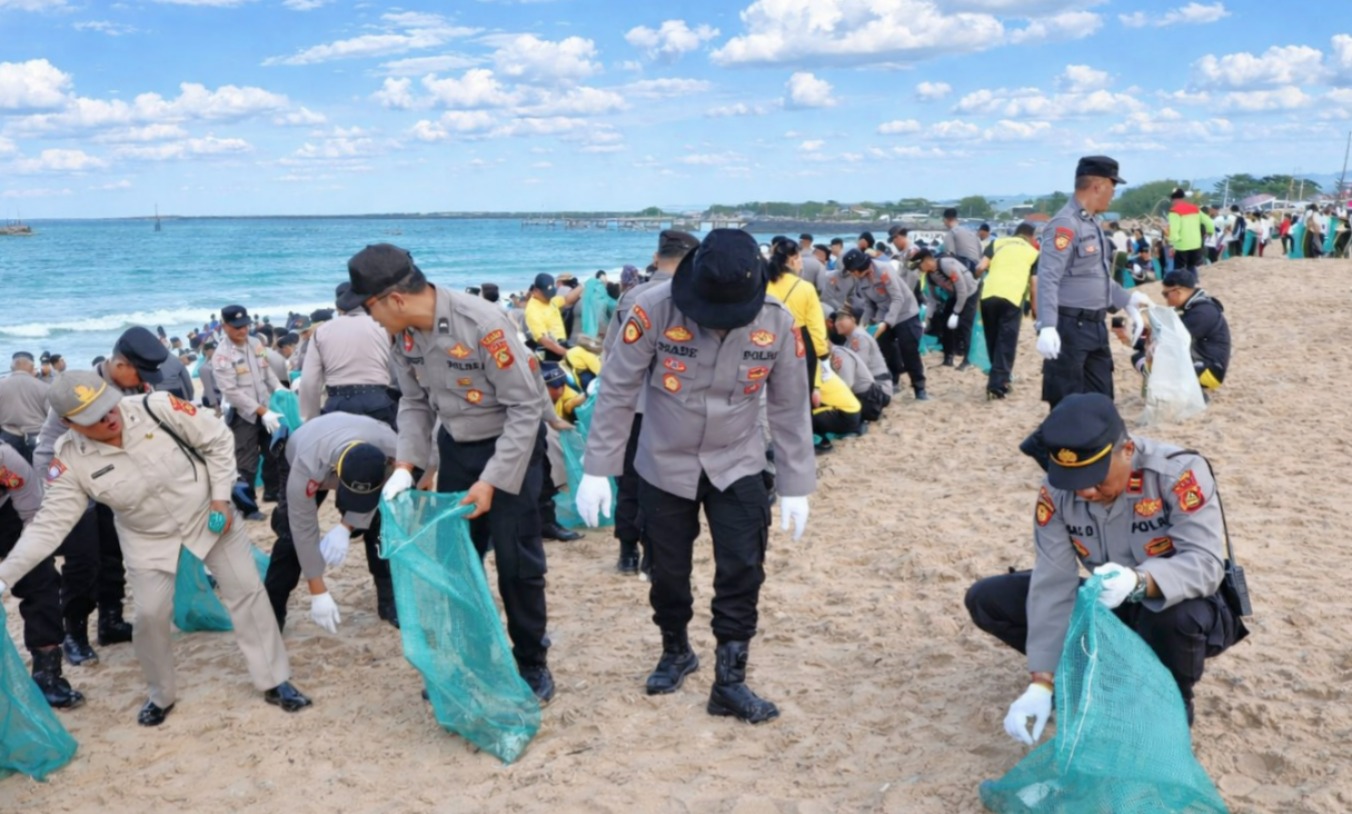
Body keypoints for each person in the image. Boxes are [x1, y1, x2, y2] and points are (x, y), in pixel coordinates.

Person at [575, 229, 816, 724]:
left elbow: (791, 409)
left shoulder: (778, 322)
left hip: (739, 460)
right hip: (664, 460)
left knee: (743, 569)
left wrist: (796, 485)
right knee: (666, 571)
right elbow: (617, 391)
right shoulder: (651, 310)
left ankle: (730, 681)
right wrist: (598, 468)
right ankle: (676, 650)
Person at [0, 372, 311, 726]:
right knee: (149, 616)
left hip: (208, 515)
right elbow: (48, 526)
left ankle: (275, 681)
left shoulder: (157, 407)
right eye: (93, 417)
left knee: (248, 593)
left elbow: (218, 440)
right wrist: (5, 576)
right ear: (69, 423)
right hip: (145, 536)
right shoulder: (69, 459)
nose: (108, 417)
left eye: (107, 405)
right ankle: (161, 694)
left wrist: (222, 499)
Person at [965, 393, 1246, 738]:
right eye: (1073, 479)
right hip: (1109, 604)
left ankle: (1172, 703)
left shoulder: (1177, 473)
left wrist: (1140, 582)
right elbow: (1054, 581)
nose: (1084, 491)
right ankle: (1086, 677)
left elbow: (1205, 564)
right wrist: (1041, 682)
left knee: (1176, 615)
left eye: (1097, 478)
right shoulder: (1056, 492)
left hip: (1180, 610)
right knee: (989, 598)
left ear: (1126, 450)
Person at [348, 243, 557, 704]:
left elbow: (526, 408)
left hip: (512, 450)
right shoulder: (400, 336)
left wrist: (492, 482)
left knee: (518, 565)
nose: (371, 318)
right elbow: (414, 402)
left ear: (395, 299)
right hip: (457, 450)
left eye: (369, 307)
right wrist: (407, 465)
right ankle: (471, 659)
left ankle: (531, 662)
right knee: (458, 562)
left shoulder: (483, 324)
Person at [33, 326, 172, 651]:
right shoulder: (81, 387)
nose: (143, 379)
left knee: (113, 552)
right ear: (122, 364)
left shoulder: (132, 389)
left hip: (109, 476)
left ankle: (110, 622)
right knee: (83, 561)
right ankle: (74, 635)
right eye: (140, 372)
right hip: (67, 475)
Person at [602, 229, 700, 576]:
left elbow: (612, 355)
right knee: (666, 485)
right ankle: (654, 551)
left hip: (634, 406)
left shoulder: (632, 297)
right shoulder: (696, 297)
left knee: (630, 480)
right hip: (677, 408)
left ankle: (627, 551)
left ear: (657, 257)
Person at [1031, 156, 1150, 412]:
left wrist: (1126, 300)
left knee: (1101, 402)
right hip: (1069, 326)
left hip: (1095, 326)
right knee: (1067, 404)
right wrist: (1047, 325)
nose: (1113, 195)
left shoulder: (1092, 223)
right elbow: (1049, 276)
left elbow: (1095, 276)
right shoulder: (1066, 225)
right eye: (1112, 187)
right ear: (1098, 186)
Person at [263, 412, 398, 632]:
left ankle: (389, 601)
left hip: (357, 440)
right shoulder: (307, 464)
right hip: (303, 454)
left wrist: (346, 527)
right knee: (290, 537)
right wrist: (318, 591)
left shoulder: (391, 449)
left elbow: (423, 466)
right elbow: (303, 528)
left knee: (379, 525)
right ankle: (271, 612)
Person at [0, 440, 84, 708]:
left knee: (40, 580)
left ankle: (47, 673)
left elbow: (34, 517)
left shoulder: (5, 460)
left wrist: (12, 569)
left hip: (9, 513)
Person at [212, 304, 284, 515]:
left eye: (245, 325)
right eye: (236, 327)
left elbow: (266, 371)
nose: (242, 331)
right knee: (246, 463)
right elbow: (232, 392)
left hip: (267, 409)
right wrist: (262, 411)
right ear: (224, 326)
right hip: (244, 415)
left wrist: (279, 388)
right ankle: (248, 506)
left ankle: (272, 491)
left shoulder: (255, 344)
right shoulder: (222, 355)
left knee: (274, 452)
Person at [1114, 268, 1231, 391]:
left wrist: (1141, 338)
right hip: (1201, 361)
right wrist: (1138, 339)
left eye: (1166, 294)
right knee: (1140, 358)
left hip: (1209, 371)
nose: (1165, 299)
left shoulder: (1202, 313)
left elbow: (1169, 342)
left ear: (1178, 291)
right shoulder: (1194, 307)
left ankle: (1185, 392)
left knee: (1154, 358)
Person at [301, 282, 396, 426]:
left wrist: (311, 419)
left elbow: (309, 382)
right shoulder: (384, 326)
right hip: (378, 401)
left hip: (338, 403)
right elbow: (397, 373)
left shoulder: (322, 331)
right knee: (386, 446)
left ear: (339, 305)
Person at [841, 248, 928, 400]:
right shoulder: (860, 280)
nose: (852, 274)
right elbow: (869, 305)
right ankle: (893, 381)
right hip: (883, 313)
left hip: (905, 312)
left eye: (853, 270)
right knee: (885, 349)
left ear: (861, 266)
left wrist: (887, 322)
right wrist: (863, 325)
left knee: (909, 350)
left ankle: (919, 388)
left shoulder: (883, 270)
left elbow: (897, 298)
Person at [976, 223, 1039, 400]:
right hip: (1012, 298)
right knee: (1006, 341)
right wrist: (1035, 309)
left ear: (1015, 233)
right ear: (1031, 237)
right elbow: (1034, 285)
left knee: (993, 338)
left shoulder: (997, 243)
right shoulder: (1034, 253)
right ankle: (998, 384)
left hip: (988, 295)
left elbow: (981, 266)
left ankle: (998, 377)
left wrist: (976, 274)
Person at [767, 239, 830, 392]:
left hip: (767, 339)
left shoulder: (764, 284)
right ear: (793, 259)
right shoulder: (806, 288)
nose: (802, 263)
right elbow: (815, 327)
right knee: (801, 395)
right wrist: (823, 356)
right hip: (799, 342)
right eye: (800, 258)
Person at [917, 248, 978, 370]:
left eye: (919, 264)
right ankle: (948, 358)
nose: (918, 268)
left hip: (970, 292)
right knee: (945, 323)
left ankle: (968, 360)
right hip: (955, 295)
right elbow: (933, 299)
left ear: (927, 260)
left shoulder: (947, 265)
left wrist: (956, 312)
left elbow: (962, 290)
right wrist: (927, 318)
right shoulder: (930, 275)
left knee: (965, 326)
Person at [830, 308, 893, 403]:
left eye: (841, 319)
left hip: (877, 392)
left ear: (853, 319)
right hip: (874, 388)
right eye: (836, 320)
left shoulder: (859, 337)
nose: (837, 323)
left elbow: (857, 369)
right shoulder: (850, 339)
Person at [0, 351, 51, 463]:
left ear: (11, 367)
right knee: (39, 474)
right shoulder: (44, 387)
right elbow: (51, 418)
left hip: (8, 437)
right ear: (32, 367)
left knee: (11, 476)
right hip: (37, 438)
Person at [827, 341, 889, 421]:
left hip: (868, 399)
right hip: (869, 397)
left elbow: (846, 384)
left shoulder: (839, 354)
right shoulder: (837, 352)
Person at [1165, 189, 1212, 273]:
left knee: (1179, 270)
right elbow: (1209, 222)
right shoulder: (1195, 208)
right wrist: (1210, 232)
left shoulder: (1174, 211)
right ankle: (1193, 283)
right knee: (1193, 268)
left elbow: (1174, 230)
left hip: (1182, 245)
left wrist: (1172, 245)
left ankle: (1181, 285)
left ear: (1174, 199)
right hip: (1196, 244)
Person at [198, 340, 222, 413]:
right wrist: (215, 405)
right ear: (206, 352)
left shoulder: (218, 364)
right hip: (213, 400)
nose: (216, 352)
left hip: (221, 397)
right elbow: (208, 388)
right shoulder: (204, 368)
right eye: (213, 350)